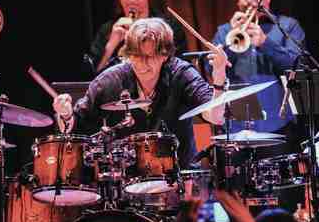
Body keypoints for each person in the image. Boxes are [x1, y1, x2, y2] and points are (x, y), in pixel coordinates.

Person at [54, 17, 228, 168]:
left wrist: (219, 77)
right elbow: (76, 128)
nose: (142, 64)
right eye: (136, 56)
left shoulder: (182, 74)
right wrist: (66, 115)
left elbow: (216, 117)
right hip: (128, 179)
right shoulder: (109, 81)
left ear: (165, 55)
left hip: (180, 174)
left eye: (149, 57)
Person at [209, 0, 306, 136]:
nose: (249, 1)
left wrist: (265, 43)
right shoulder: (224, 32)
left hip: (278, 123)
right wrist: (230, 38)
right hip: (236, 125)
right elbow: (211, 69)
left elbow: (298, 67)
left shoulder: (287, 26)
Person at [88, 0, 187, 74]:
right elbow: (93, 75)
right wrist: (111, 45)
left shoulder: (170, 27)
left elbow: (181, 70)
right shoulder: (107, 30)